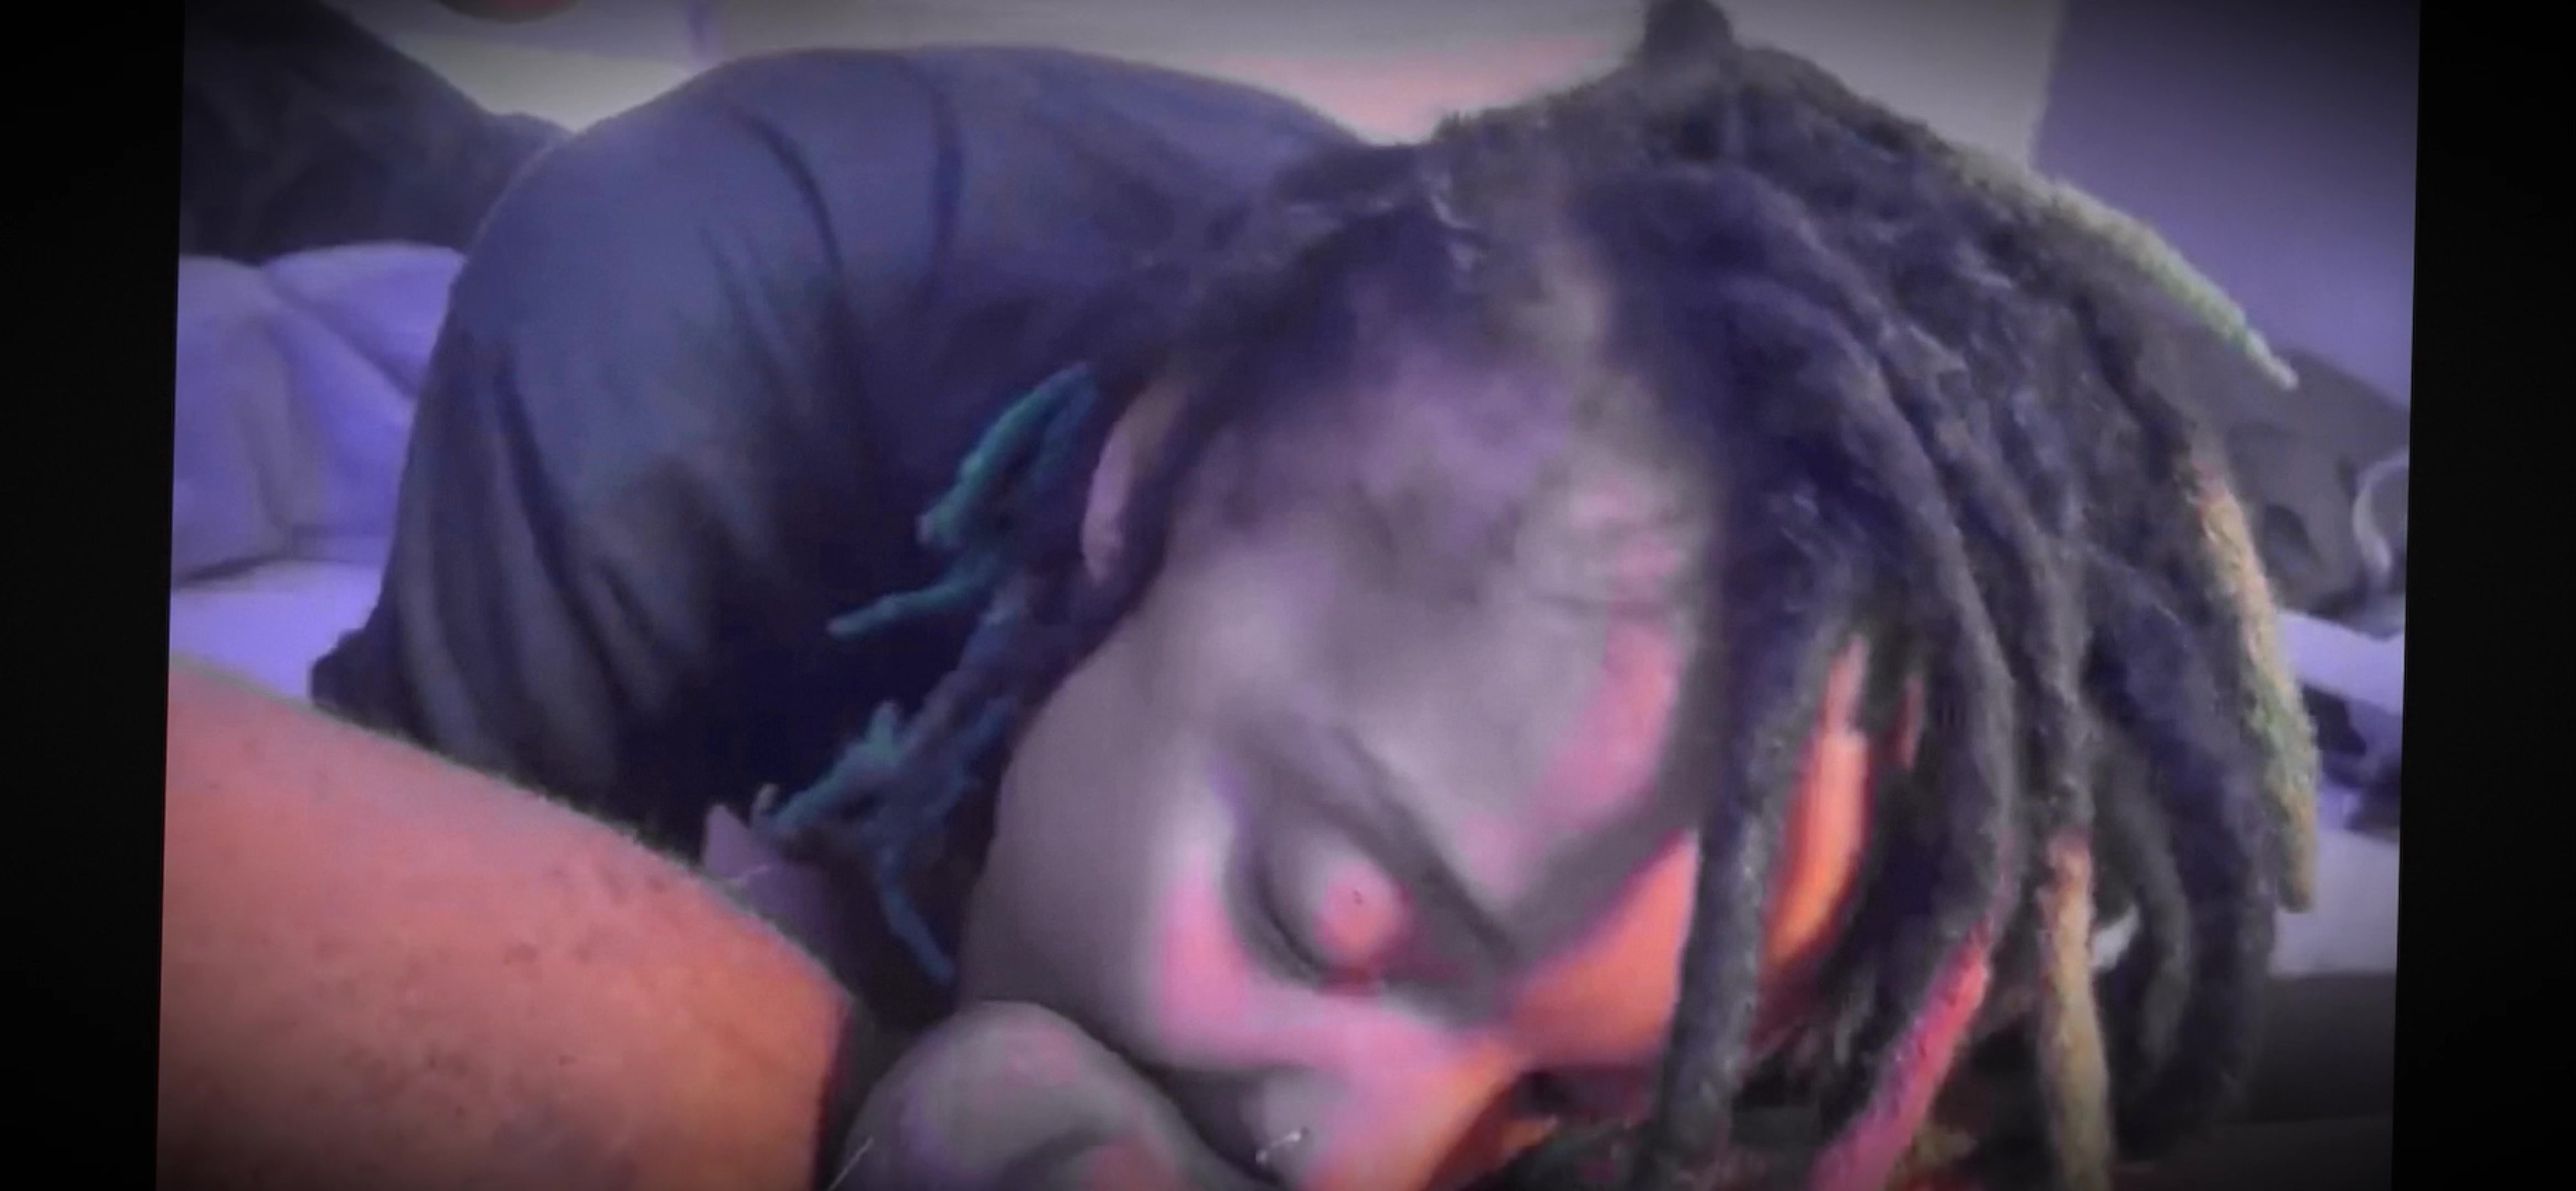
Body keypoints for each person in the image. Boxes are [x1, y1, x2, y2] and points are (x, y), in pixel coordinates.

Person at [165, 2, 2327, 1188]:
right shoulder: (674, 313)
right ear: (1142, 497)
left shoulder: (1724, 806)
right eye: (1315, 920)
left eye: (1553, 1097)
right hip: (745, 241)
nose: (1351, 1167)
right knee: (330, 141)